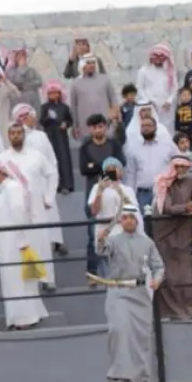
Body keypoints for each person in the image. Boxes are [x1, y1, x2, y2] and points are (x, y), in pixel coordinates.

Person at [95, 205, 165, 382]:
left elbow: (158, 266)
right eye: (124, 217)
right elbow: (102, 249)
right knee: (118, 329)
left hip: (140, 293)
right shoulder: (114, 241)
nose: (128, 221)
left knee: (140, 339)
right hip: (119, 291)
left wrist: (157, 279)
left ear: (136, 220)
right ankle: (120, 370)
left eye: (131, 217)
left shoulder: (147, 242)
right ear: (120, 221)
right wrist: (101, 238)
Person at [0, 158, 50, 330]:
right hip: (9, 241)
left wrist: (21, 239)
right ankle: (22, 316)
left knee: (17, 278)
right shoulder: (8, 189)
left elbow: (18, 212)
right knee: (14, 278)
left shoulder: (12, 188)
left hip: (14, 242)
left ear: (1, 173)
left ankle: (24, 318)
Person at [150, 154, 192, 320]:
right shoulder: (163, 182)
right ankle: (169, 312)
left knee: (185, 274)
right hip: (164, 233)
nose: (180, 170)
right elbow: (167, 208)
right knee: (167, 274)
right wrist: (187, 207)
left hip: (184, 233)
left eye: (183, 167)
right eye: (177, 166)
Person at [3, 116, 63, 263]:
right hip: (14, 212)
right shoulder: (2, 159)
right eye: (12, 133)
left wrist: (49, 197)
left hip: (37, 208)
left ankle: (46, 275)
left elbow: (52, 174)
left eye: (19, 133)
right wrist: (0, 202)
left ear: (24, 135)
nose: (16, 136)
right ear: (8, 136)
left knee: (41, 246)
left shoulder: (36, 156)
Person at [78, 115, 127, 273]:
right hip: (94, 190)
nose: (98, 130)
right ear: (90, 129)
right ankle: (92, 271)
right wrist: (106, 166)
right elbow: (84, 169)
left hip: (114, 189)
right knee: (93, 232)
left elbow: (121, 162)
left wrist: (95, 166)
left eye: (100, 126)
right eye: (94, 127)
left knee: (118, 227)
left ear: (105, 127)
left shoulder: (114, 144)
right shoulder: (85, 147)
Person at [87, 157, 138, 276]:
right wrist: (100, 192)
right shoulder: (97, 188)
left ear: (121, 171)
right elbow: (94, 211)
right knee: (107, 271)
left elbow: (133, 211)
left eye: (114, 168)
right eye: (108, 169)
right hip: (104, 233)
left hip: (123, 233)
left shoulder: (128, 189)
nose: (111, 171)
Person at [125, 117, 179, 211]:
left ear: (155, 127)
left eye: (148, 125)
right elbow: (131, 174)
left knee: (163, 218)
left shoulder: (167, 144)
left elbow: (178, 162)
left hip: (164, 192)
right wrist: (130, 195)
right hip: (143, 194)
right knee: (144, 219)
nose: (146, 128)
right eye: (143, 126)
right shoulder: (134, 148)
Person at [38, 80, 75, 194]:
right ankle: (55, 185)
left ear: (60, 93)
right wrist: (48, 118)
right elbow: (42, 121)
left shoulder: (64, 107)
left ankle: (67, 185)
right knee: (52, 160)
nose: (53, 95)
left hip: (62, 137)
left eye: (55, 92)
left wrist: (66, 124)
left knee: (64, 159)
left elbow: (70, 120)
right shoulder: (44, 107)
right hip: (50, 136)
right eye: (51, 93)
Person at [69, 54, 117, 141]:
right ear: (83, 65)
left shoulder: (105, 79)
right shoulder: (76, 83)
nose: (91, 65)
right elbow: (73, 106)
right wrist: (75, 125)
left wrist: (114, 117)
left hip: (105, 124)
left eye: (93, 63)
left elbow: (113, 99)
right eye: (88, 63)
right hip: (85, 126)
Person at [136, 44, 179, 131]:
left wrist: (169, 101)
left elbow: (175, 89)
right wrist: (148, 102)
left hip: (166, 108)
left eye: (161, 57)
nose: (158, 59)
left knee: (167, 130)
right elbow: (139, 88)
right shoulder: (143, 71)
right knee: (151, 129)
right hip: (150, 107)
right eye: (156, 56)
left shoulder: (170, 71)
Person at [6, 44, 43, 111]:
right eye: (20, 55)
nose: (23, 57)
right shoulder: (10, 71)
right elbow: (16, 82)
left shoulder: (31, 69)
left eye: (24, 55)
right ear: (15, 57)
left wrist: (25, 85)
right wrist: (21, 68)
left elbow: (39, 82)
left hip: (32, 100)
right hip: (19, 101)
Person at [172, 86, 192, 151]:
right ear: (180, 97)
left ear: (191, 96)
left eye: (188, 95)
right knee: (183, 145)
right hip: (182, 131)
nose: (186, 97)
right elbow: (177, 119)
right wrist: (176, 130)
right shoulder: (178, 107)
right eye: (184, 95)